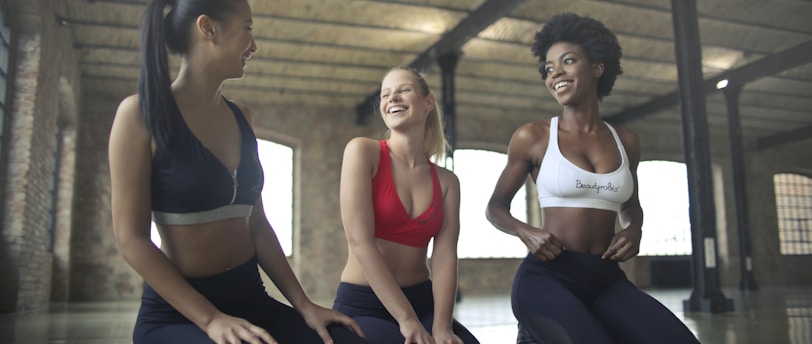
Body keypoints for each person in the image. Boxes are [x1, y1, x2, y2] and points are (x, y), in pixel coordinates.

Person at [108, 1, 369, 343]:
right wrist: (211, 318)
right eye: (247, 28)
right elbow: (132, 240)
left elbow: (257, 224)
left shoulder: (241, 117)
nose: (254, 45)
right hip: (180, 315)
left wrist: (304, 305)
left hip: (253, 301)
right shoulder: (138, 115)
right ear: (208, 29)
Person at [485, 13, 700, 344]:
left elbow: (631, 204)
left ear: (598, 68)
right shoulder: (534, 136)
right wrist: (525, 231)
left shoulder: (626, 141)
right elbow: (495, 206)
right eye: (548, 67)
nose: (555, 72)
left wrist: (634, 228)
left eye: (568, 61)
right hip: (547, 277)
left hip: (606, 279)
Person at [332, 67, 479, 344]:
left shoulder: (447, 181)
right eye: (385, 95)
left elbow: (445, 255)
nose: (392, 98)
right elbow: (360, 241)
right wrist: (406, 320)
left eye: (404, 90)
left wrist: (442, 326)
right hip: (365, 305)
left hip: (423, 302)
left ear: (428, 102)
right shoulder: (363, 151)